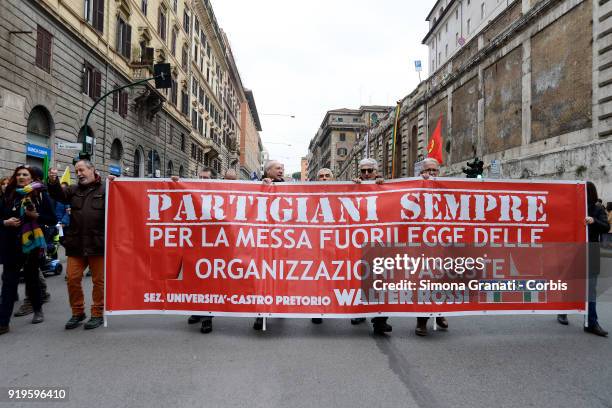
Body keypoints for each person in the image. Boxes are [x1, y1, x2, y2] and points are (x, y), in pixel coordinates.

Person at [47, 161, 110, 330]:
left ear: (92, 170)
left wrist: (116, 183)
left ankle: (97, 313)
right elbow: (58, 194)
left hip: (98, 245)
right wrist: (53, 182)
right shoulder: (73, 190)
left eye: (82, 170)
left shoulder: (107, 188)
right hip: (76, 244)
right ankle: (78, 312)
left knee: (99, 282)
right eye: (76, 171)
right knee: (72, 279)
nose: (79, 173)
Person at [0, 165, 56, 335]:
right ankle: (3, 322)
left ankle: (38, 309)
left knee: (32, 280)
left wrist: (36, 217)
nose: (21, 177)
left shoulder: (40, 195)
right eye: (18, 174)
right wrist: (5, 222)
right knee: (9, 283)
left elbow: (52, 219)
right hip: (11, 245)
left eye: (25, 174)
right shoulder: (7, 195)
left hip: (32, 246)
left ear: (32, 178)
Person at [557, 182, 609, 336]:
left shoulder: (598, 209)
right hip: (574, 251)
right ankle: (563, 312)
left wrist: (594, 221)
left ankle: (591, 322)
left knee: (590, 288)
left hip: (591, 252)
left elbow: (606, 227)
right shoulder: (573, 208)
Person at [351, 158, 392, 334]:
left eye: (370, 171)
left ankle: (380, 319)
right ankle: (359, 311)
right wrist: (352, 188)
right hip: (356, 242)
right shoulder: (353, 187)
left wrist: (383, 186)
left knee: (381, 281)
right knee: (357, 280)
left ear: (376, 171)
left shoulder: (387, 187)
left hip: (380, 243)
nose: (366, 174)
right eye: (363, 171)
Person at [177, 168, 215, 333]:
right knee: (192, 280)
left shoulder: (220, 194)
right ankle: (196, 311)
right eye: (199, 176)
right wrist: (173, 183)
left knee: (208, 283)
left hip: (213, 246)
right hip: (192, 244)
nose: (201, 179)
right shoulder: (189, 191)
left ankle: (207, 317)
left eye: (205, 177)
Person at [414, 158, 450, 336]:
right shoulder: (414, 187)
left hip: (442, 243)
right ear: (422, 172)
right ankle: (422, 321)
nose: (432, 173)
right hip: (422, 245)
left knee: (442, 281)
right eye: (428, 170)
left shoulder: (447, 186)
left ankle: (439, 314)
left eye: (434, 170)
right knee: (425, 283)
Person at [310, 168, 335, 325]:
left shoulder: (345, 192)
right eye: (321, 176)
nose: (324, 178)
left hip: (337, 242)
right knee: (318, 276)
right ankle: (317, 309)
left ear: (333, 179)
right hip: (315, 243)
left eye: (327, 176)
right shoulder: (309, 194)